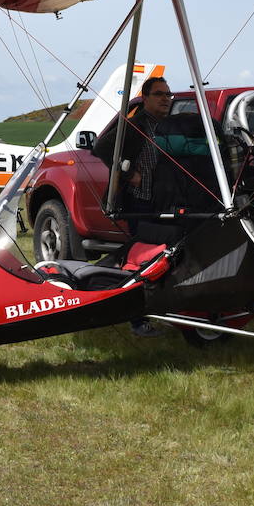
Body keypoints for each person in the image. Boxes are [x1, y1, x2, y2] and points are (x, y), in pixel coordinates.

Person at [93, 74, 175, 337]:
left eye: (168, 94)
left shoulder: (169, 126)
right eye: (159, 94)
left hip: (163, 201)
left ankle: (160, 310)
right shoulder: (136, 124)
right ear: (146, 98)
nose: (165, 99)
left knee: (164, 257)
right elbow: (102, 147)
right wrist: (129, 175)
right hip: (139, 202)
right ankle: (137, 320)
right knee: (141, 260)